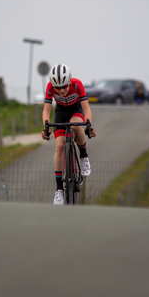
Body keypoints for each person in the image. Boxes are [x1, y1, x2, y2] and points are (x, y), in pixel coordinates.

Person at [41, 64, 96, 205]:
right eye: (57, 88)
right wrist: (46, 128)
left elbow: (87, 109)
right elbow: (46, 111)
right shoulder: (50, 87)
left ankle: (83, 156)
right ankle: (59, 189)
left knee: (76, 126)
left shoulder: (77, 85)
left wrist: (88, 125)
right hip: (60, 113)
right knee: (60, 146)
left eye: (64, 86)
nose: (61, 90)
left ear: (69, 81)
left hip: (76, 111)